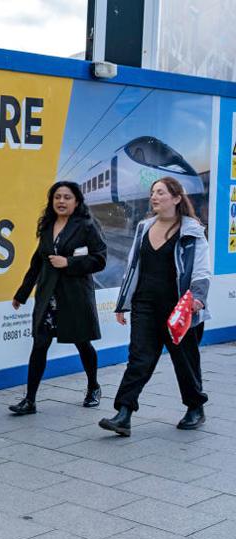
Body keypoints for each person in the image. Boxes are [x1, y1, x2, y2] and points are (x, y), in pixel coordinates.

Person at [99, 177, 211, 436]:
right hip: (145, 305)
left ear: (176, 198)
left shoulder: (192, 230)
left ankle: (195, 407)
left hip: (179, 308)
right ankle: (124, 414)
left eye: (160, 192)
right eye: (152, 193)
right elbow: (131, 267)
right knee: (139, 359)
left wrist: (198, 297)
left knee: (184, 360)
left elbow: (202, 270)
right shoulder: (143, 227)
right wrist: (122, 303)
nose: (154, 197)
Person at [9, 181, 108, 415]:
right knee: (39, 345)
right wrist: (22, 294)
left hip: (74, 297)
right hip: (48, 297)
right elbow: (37, 262)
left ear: (76, 202)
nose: (61, 201)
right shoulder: (47, 225)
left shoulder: (86, 226)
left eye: (67, 197)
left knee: (82, 343)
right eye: (57, 197)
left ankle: (93, 386)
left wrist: (69, 263)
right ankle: (30, 400)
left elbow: (100, 259)